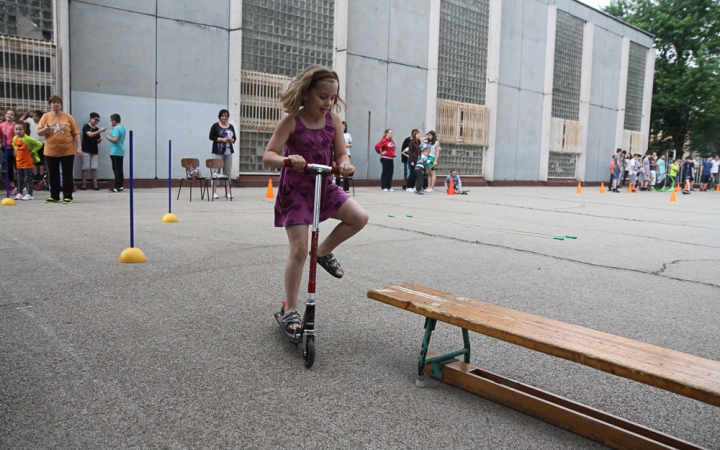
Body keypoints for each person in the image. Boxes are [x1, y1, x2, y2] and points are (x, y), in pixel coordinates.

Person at [261, 65, 368, 335]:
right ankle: (291, 309)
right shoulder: (291, 122)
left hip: (324, 185)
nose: (328, 103)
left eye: (332, 97)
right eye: (323, 96)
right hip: (296, 190)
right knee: (298, 250)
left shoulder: (333, 121)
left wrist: (344, 164)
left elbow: (341, 154)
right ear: (306, 93)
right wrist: (288, 159)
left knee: (359, 217)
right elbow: (268, 155)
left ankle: (321, 252)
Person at [37, 96, 81, 204]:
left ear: (60, 104)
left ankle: (68, 196)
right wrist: (46, 129)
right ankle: (54, 196)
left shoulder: (68, 117)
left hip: (67, 150)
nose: (55, 104)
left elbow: (76, 133)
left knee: (67, 173)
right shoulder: (45, 116)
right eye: (53, 103)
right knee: (53, 174)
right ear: (50, 105)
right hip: (51, 150)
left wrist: (79, 147)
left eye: (57, 102)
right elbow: (39, 132)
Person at [209, 108, 236, 199]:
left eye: (226, 116)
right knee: (216, 171)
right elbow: (211, 136)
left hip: (228, 152)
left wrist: (232, 140)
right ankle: (214, 192)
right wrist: (222, 139)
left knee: (227, 171)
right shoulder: (215, 126)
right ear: (220, 117)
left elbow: (234, 138)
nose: (224, 117)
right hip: (218, 151)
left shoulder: (231, 126)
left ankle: (228, 192)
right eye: (222, 116)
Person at [11, 122, 42, 200]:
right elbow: (14, 144)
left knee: (28, 178)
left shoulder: (28, 139)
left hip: (27, 161)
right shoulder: (15, 138)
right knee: (20, 178)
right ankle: (20, 192)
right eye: (16, 129)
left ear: (24, 130)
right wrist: (15, 150)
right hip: (19, 161)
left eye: (20, 129)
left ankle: (30, 194)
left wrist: (33, 151)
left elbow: (39, 144)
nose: (18, 131)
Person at [80, 112, 106, 190]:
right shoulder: (86, 126)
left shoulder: (97, 129)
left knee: (94, 167)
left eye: (98, 120)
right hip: (86, 149)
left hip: (94, 150)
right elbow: (90, 135)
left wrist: (99, 140)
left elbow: (96, 139)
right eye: (95, 120)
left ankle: (95, 183)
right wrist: (100, 131)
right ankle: (84, 183)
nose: (97, 122)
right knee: (85, 167)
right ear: (91, 119)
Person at [20, 110, 45, 180]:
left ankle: (41, 174)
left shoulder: (43, 122)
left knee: (41, 159)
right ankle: (35, 174)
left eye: (36, 116)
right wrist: (26, 114)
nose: (34, 118)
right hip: (32, 143)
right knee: (34, 159)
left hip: (42, 142)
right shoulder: (30, 120)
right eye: (33, 116)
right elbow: (20, 121)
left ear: (40, 117)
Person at [105, 113, 126, 193]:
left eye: (111, 120)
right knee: (119, 168)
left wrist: (109, 138)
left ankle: (117, 186)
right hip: (120, 150)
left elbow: (115, 139)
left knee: (116, 168)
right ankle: (120, 185)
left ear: (114, 120)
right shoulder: (122, 127)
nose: (111, 122)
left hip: (115, 151)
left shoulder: (116, 129)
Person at [1, 109, 18, 193]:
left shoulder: (15, 126)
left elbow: (16, 138)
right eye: (7, 114)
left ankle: (19, 185)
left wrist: (15, 150)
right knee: (9, 167)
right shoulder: (1, 125)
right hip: (5, 148)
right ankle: (11, 185)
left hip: (14, 148)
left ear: (14, 117)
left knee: (17, 166)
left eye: (11, 115)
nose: (9, 116)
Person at [335, 121, 352, 192]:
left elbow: (351, 144)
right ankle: (337, 186)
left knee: (345, 170)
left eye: (344, 125)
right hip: (336, 154)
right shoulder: (336, 134)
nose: (343, 127)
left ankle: (346, 188)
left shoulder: (347, 135)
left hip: (346, 154)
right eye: (342, 125)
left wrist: (344, 145)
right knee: (337, 171)